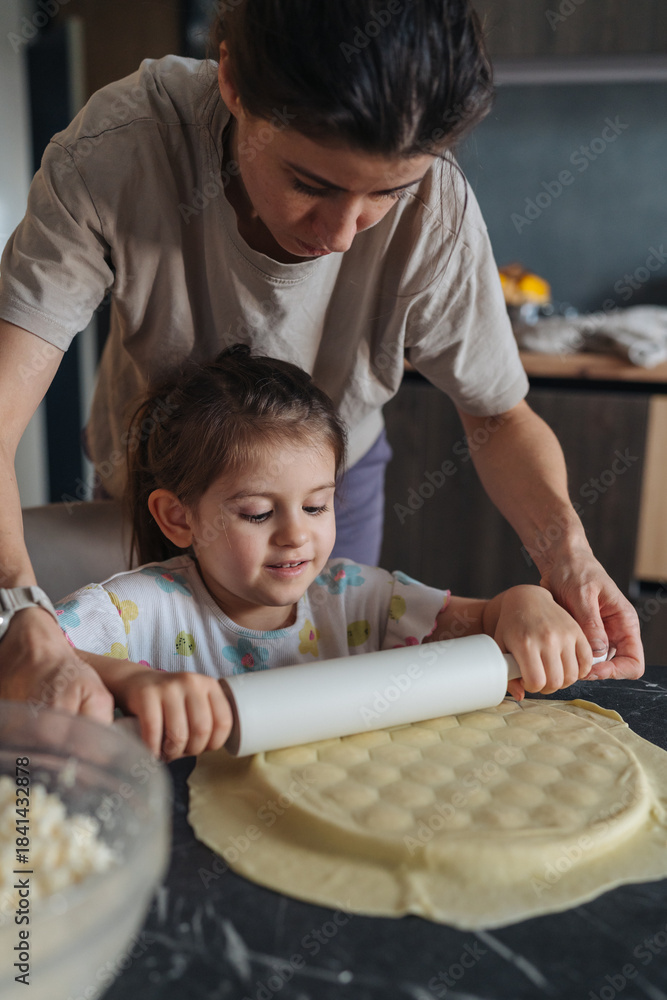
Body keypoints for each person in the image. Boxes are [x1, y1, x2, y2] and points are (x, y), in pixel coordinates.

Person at [0, 0, 642, 723]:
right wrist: (19, 612)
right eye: (310, 184)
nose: (341, 235)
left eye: (386, 196)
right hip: (153, 472)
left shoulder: (438, 214)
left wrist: (564, 562)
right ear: (232, 82)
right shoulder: (120, 151)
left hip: (341, 470)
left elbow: (496, 414)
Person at [53, 346, 594, 760]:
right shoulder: (138, 612)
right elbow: (24, 646)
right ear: (179, 517)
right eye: (259, 514)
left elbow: (484, 625)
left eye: (316, 507)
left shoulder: (358, 599)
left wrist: (521, 601)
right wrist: (132, 680)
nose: (295, 536)